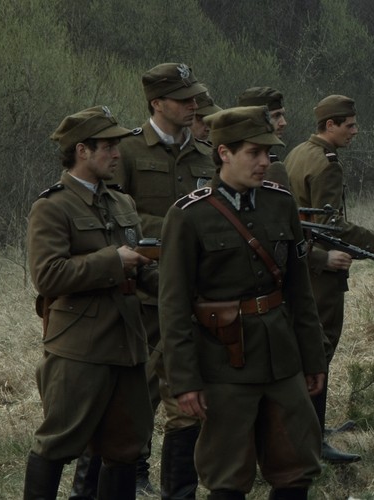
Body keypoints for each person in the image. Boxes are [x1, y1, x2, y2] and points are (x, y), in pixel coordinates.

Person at [159, 105, 328, 499]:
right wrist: (184, 381)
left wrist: (313, 357)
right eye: (254, 153)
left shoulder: (280, 203)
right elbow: (173, 307)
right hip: (223, 364)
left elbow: (300, 291)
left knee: (296, 466)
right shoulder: (188, 216)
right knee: (227, 474)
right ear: (224, 154)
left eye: (268, 153)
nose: (265, 162)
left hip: (282, 359)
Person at [24, 106, 156, 499]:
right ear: (82, 150)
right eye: (109, 146)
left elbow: (143, 267)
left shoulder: (122, 204)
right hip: (79, 346)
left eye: (118, 145)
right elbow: (48, 276)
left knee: (125, 448)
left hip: (128, 344)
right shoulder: (52, 207)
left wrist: (180, 285)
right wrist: (111, 262)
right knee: (58, 442)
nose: (117, 154)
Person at [116, 61, 214, 499]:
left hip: (195, 297)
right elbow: (118, 216)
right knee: (135, 396)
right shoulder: (128, 153)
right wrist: (181, 226)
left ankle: (180, 490)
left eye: (194, 97)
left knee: (188, 402)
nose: (193, 105)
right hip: (143, 297)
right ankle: (130, 473)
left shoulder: (207, 157)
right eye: (183, 98)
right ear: (157, 103)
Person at [283, 95, 374, 463]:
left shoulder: (298, 153)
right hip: (322, 270)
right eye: (348, 124)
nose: (355, 131)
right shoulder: (327, 165)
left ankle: (308, 430)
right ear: (329, 125)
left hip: (301, 264)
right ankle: (312, 440)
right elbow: (330, 225)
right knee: (318, 350)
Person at [236, 87, 291, 187]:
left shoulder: (273, 160)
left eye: (283, 115)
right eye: (276, 116)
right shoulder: (229, 161)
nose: (283, 123)